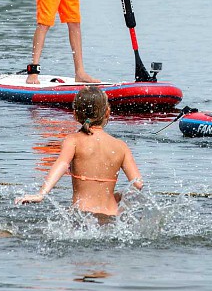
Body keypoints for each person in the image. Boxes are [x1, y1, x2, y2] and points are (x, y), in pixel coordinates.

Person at [15, 86, 143, 219]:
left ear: (75, 114)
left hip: (82, 216)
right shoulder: (121, 146)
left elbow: (62, 164)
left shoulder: (73, 140)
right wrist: (116, 196)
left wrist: (41, 194)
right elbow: (138, 184)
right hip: (112, 216)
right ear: (107, 112)